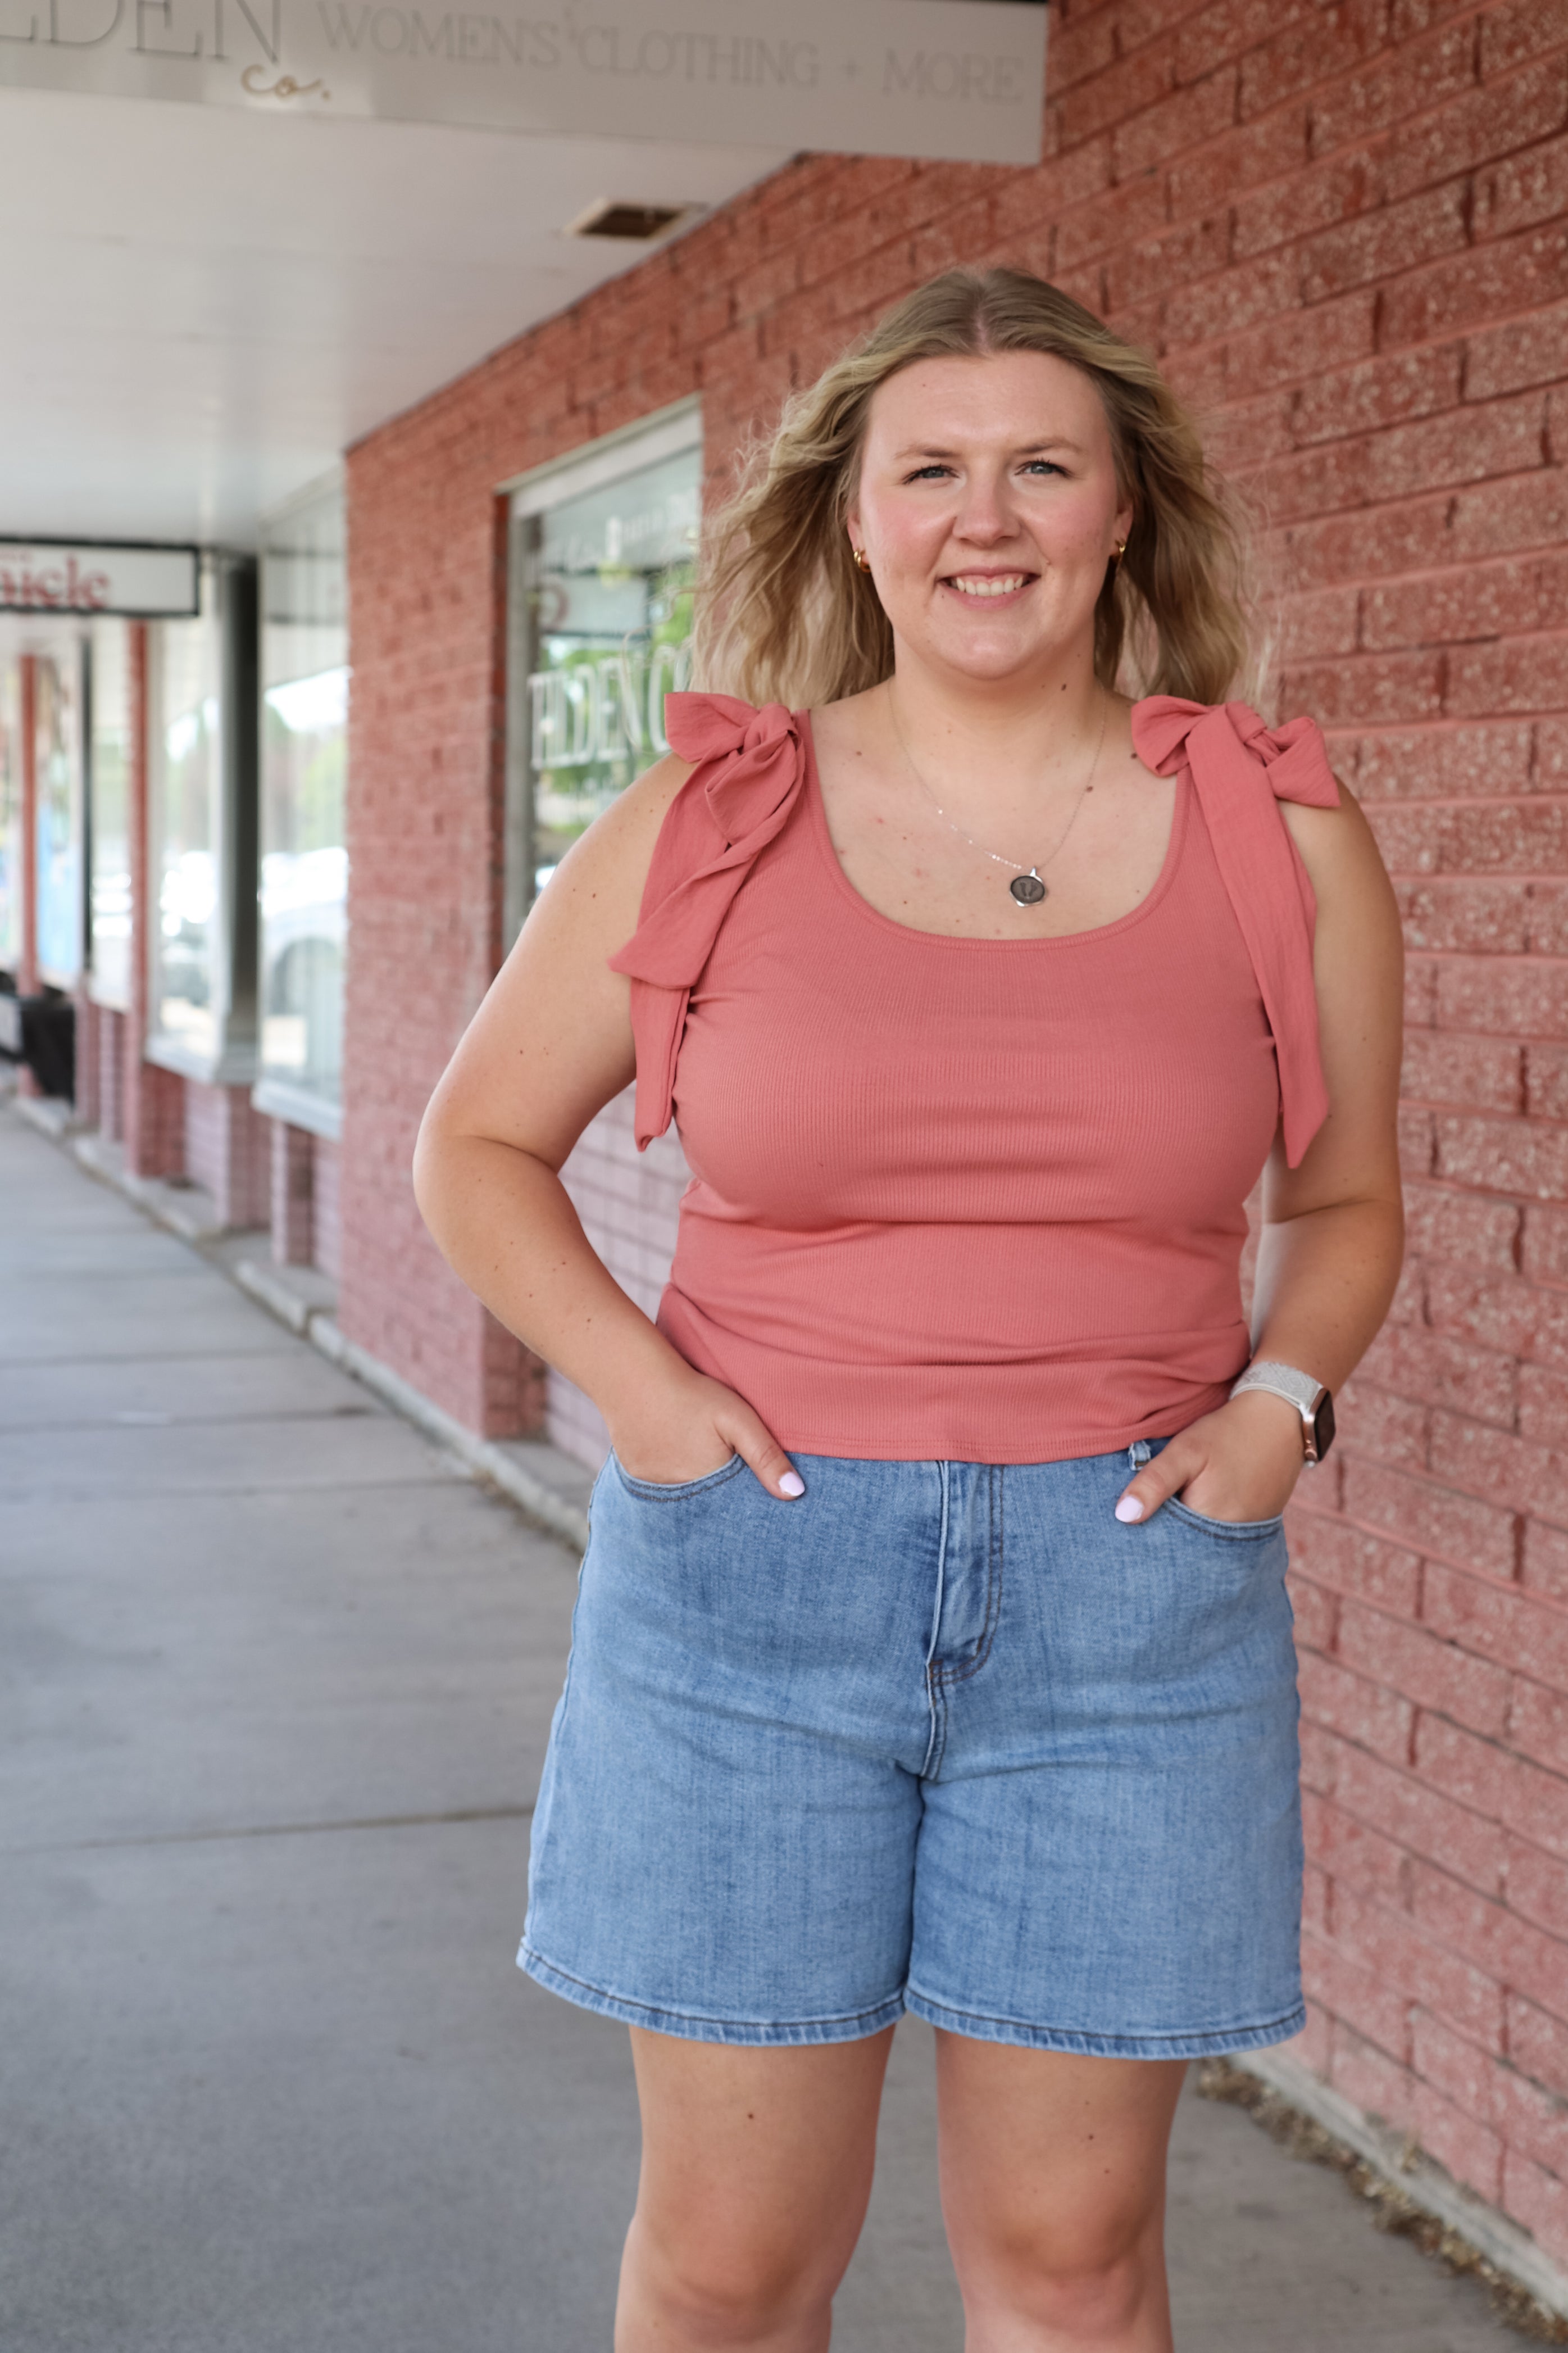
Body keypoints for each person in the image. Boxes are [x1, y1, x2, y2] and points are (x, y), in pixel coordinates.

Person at [413, 267, 1404, 2353]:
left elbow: (1346, 1199)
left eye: (1044, 463)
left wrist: (1281, 1409)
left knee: (1073, 2267)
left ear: (1125, 506)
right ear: (851, 521)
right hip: (753, 1592)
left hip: (1135, 1604)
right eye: (930, 470)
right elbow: (475, 1150)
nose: (989, 515)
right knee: (734, 2268)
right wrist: (648, 1403)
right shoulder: (714, 818)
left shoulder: (1277, 828)